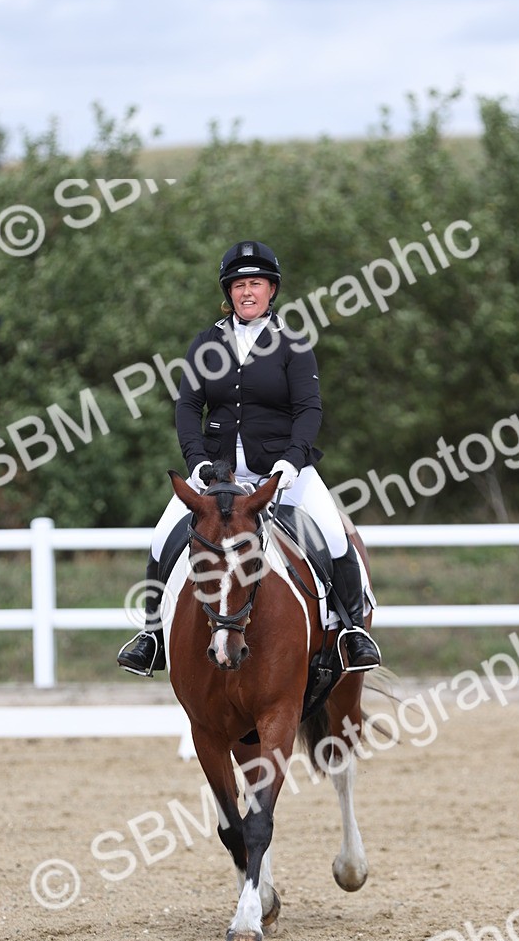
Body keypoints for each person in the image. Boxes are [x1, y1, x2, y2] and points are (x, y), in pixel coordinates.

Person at [117, 239, 381, 675]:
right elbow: (187, 407)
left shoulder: (293, 344)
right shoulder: (207, 343)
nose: (247, 292)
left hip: (283, 471)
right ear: (229, 292)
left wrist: (293, 462)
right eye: (239, 285)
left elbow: (309, 409)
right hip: (217, 474)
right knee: (162, 538)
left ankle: (353, 631)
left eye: (255, 284)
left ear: (271, 290)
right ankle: (151, 636)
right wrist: (197, 462)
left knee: (334, 536)